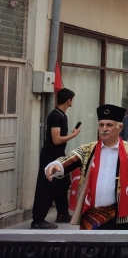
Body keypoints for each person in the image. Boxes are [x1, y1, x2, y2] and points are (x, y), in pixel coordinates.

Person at [45, 104, 128, 230]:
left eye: (109, 125)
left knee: (118, 249)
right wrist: (55, 165)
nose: (104, 129)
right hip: (91, 215)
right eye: (101, 125)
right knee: (89, 249)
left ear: (120, 127)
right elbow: (67, 161)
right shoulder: (88, 149)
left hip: (120, 216)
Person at [31, 88, 80, 229]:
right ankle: (38, 220)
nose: (73, 102)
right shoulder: (55, 116)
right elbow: (56, 139)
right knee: (46, 188)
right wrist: (74, 135)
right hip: (50, 156)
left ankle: (62, 214)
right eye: (72, 99)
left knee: (63, 184)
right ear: (68, 100)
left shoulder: (63, 115)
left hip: (59, 155)